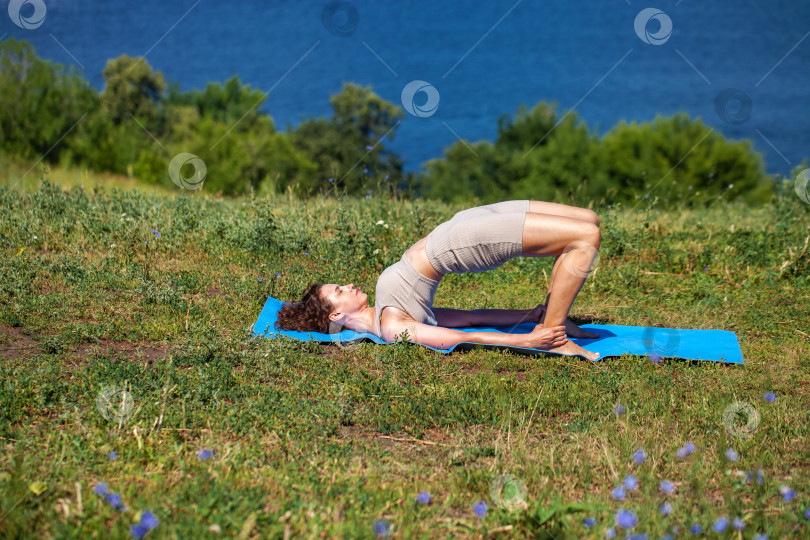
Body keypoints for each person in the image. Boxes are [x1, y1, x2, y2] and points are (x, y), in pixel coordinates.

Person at [276, 200, 602, 360]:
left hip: (460, 226)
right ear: (335, 315)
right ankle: (554, 335)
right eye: (338, 291)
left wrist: (528, 316)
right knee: (585, 237)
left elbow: (471, 319)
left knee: (589, 219)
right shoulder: (392, 328)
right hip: (464, 240)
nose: (346, 285)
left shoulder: (383, 315)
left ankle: (548, 319)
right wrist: (526, 340)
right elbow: (457, 335)